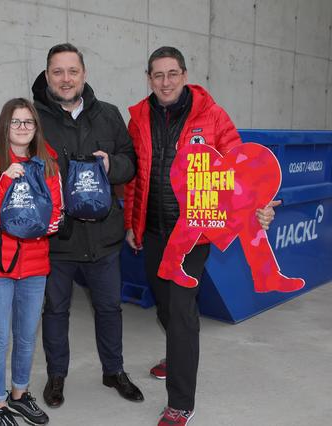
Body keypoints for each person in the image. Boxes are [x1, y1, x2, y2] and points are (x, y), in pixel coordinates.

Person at [123, 46, 281, 426]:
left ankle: (180, 402)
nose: (166, 82)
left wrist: (260, 206)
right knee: (164, 302)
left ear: (184, 74)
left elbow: (239, 168)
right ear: (149, 78)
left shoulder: (211, 116)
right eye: (158, 75)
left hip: (194, 233)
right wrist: (133, 222)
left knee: (180, 311)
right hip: (155, 229)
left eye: (172, 73)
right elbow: (135, 179)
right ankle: (175, 356)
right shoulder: (138, 118)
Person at [32, 43, 143, 408]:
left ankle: (114, 370)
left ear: (84, 74)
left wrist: (113, 166)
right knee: (56, 311)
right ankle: (57, 376)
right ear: (48, 76)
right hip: (57, 240)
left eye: (72, 71)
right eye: (58, 72)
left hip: (104, 238)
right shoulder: (32, 118)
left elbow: (131, 161)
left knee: (110, 308)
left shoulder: (108, 115)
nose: (66, 79)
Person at [0, 98, 62, 426]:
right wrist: (5, 181)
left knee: (26, 335)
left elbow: (56, 216)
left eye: (28, 122)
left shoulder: (47, 164)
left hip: (35, 267)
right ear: (4, 126)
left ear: (36, 128)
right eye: (16, 122)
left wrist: (38, 222)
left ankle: (19, 395)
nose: (22, 128)